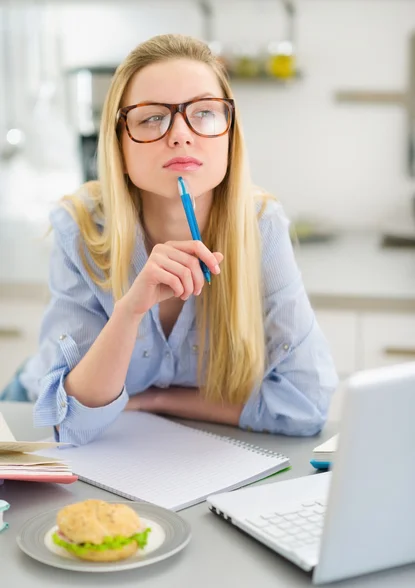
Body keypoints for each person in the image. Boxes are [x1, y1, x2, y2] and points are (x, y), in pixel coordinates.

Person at [1, 34, 338, 446]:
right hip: (26, 417)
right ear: (118, 144)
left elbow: (305, 406)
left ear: (230, 135)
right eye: (152, 118)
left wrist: (158, 400)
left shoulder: (261, 226)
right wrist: (130, 310)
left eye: (204, 113)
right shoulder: (82, 227)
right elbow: (72, 423)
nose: (180, 134)